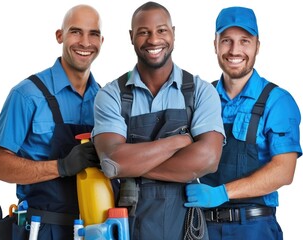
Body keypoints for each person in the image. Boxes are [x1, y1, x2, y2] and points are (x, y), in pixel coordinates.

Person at [92, 2, 225, 240]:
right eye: (144, 32)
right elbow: (112, 161)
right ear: (132, 37)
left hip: (185, 227)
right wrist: (179, 142)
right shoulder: (111, 95)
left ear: (173, 33)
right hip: (130, 226)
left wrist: (132, 164)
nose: (153, 40)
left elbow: (208, 159)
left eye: (161, 30)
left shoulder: (200, 92)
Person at [184, 6, 302, 240]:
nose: (235, 50)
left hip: (254, 228)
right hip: (202, 227)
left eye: (244, 41)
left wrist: (223, 193)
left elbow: (284, 171)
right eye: (227, 40)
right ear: (215, 44)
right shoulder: (200, 98)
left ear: (257, 45)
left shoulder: (277, 101)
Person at [0, 4, 104, 239]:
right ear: (59, 36)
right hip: (41, 230)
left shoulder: (105, 100)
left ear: (102, 41)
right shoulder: (27, 95)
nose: (85, 42)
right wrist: (61, 167)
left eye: (93, 33)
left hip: (94, 230)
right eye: (75, 31)